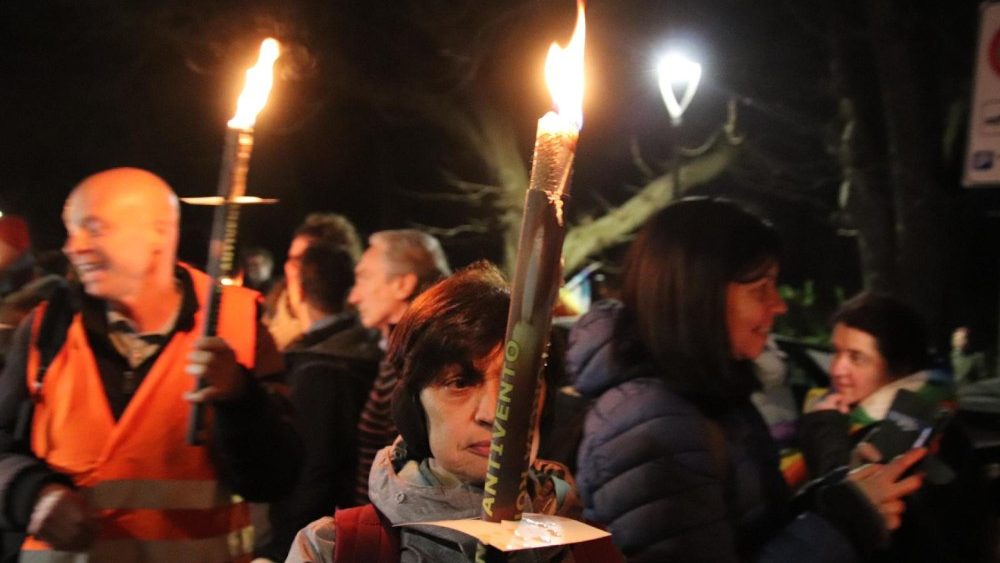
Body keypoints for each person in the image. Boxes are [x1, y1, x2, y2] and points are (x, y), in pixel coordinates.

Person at [574, 198, 927, 562]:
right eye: (760, 289)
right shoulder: (652, 425)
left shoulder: (709, 401)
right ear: (700, 297)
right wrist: (848, 521)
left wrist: (843, 497)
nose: (779, 305)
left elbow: (754, 531)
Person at [0, 168, 302, 562]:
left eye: (95, 228)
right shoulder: (46, 329)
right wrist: (31, 494)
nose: (74, 247)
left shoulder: (238, 327)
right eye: (71, 231)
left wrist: (240, 399)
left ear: (158, 233)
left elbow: (275, 478)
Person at [286, 262, 592, 562]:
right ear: (414, 407)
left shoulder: (594, 548)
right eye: (460, 383)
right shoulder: (330, 551)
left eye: (521, 382)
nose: (494, 413)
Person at [799, 292, 993, 562]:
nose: (837, 369)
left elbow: (845, 511)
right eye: (836, 352)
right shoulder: (931, 411)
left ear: (899, 365)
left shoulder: (904, 434)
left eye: (857, 358)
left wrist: (824, 429)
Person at [255, 243, 380, 562]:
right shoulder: (365, 350)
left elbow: (313, 471)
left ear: (297, 287)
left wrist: (281, 548)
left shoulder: (318, 368)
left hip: (314, 541)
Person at [347, 230, 450, 505]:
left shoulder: (416, 360)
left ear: (403, 284)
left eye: (365, 277)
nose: (354, 296)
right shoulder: (401, 350)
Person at [265, 213, 363, 350]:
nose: (290, 267)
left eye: (301, 259)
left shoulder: (355, 324)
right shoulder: (275, 303)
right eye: (290, 259)